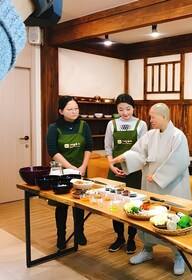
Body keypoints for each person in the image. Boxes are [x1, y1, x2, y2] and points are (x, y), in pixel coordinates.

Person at [110, 103, 191, 276]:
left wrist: (159, 176)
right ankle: (147, 249)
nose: (150, 120)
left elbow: (180, 161)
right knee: (148, 216)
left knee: (173, 220)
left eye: (153, 116)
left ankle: (178, 255)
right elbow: (138, 153)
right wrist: (123, 157)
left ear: (163, 117)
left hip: (172, 187)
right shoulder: (150, 135)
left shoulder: (178, 136)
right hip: (150, 185)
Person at [46, 95, 93, 250]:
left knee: (78, 203)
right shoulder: (54, 128)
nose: (74, 112)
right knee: (61, 205)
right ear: (61, 111)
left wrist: (83, 166)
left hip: (80, 170)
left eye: (76, 108)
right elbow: (52, 151)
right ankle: (61, 235)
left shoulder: (83, 125)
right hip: (60, 171)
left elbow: (88, 146)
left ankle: (80, 232)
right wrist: (70, 167)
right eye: (70, 109)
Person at [104, 94, 147, 254]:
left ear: (133, 108)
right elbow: (108, 148)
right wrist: (112, 165)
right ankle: (119, 237)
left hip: (134, 171)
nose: (125, 113)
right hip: (115, 170)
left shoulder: (141, 124)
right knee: (115, 205)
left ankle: (131, 238)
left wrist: (129, 167)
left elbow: (143, 150)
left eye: (128, 109)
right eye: (121, 109)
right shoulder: (111, 124)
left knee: (134, 205)